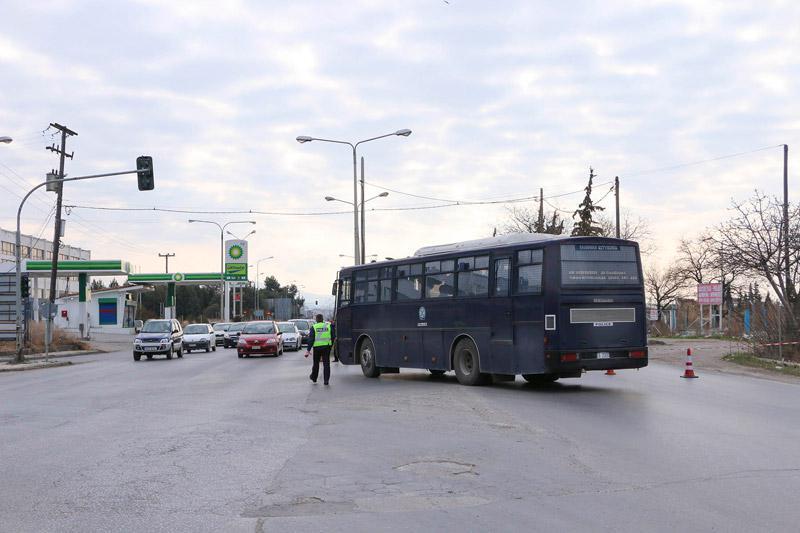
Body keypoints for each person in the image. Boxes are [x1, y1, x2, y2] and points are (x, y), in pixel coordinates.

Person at [305, 314, 335, 385]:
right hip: (326, 347)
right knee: (326, 364)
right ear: (322, 319)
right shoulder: (328, 326)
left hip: (317, 348)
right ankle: (326, 381)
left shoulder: (314, 327)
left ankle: (314, 378)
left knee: (316, 364)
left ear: (316, 320)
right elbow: (333, 336)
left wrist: (308, 350)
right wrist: (330, 345)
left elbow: (311, 339)